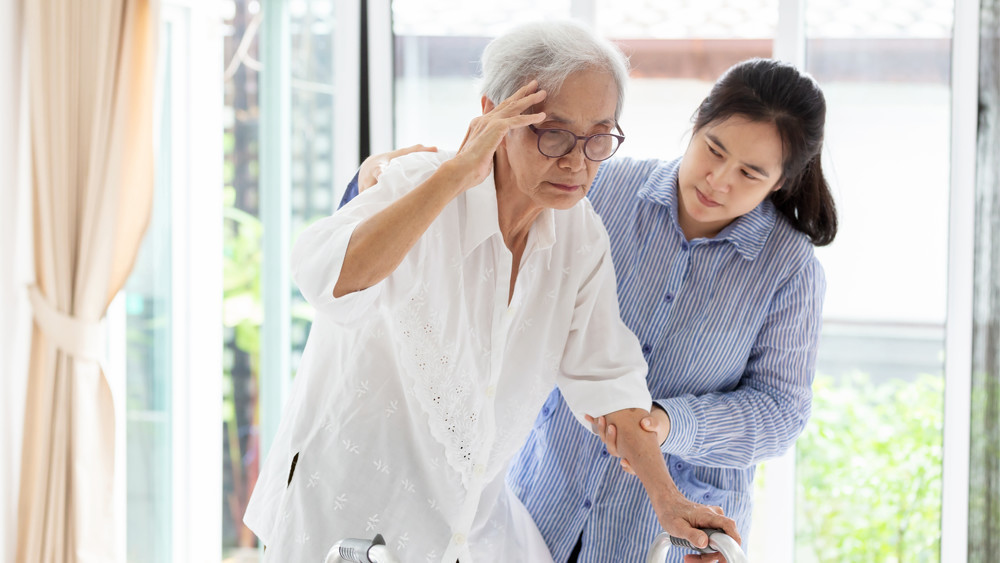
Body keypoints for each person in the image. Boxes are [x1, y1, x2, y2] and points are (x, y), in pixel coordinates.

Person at [244, 21, 738, 563]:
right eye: (552, 133)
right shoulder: (418, 182)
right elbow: (327, 280)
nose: (577, 162)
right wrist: (455, 174)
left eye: (599, 137)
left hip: (466, 532)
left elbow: (609, 381)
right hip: (343, 524)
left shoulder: (580, 235)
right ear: (492, 114)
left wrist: (667, 500)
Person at [349, 58, 836, 562]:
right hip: (542, 503)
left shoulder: (789, 268)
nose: (719, 180)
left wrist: (667, 423)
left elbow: (781, 409)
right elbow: (494, 191)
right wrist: (382, 180)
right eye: (713, 150)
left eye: (751, 173)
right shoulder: (602, 189)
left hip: (672, 533)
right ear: (696, 126)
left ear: (781, 182)